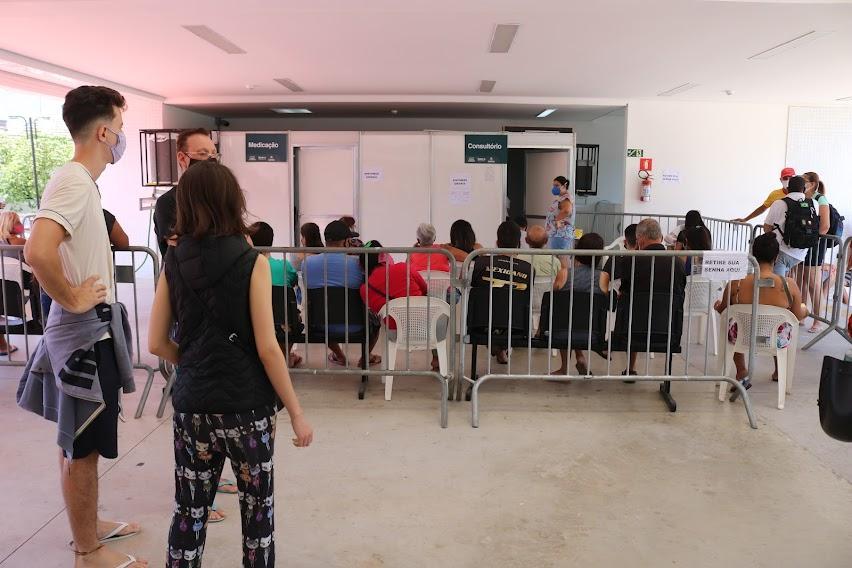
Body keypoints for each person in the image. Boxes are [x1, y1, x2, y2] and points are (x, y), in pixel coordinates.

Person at [148, 161, 312, 568]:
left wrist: (192, 364)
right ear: (232, 202)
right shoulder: (252, 262)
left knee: (189, 510)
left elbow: (155, 342)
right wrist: (296, 411)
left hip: (192, 408)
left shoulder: (172, 261)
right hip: (247, 408)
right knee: (257, 513)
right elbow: (268, 348)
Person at [17, 86, 148, 568]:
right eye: (120, 126)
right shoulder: (73, 182)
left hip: (88, 331)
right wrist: (70, 297)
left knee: (76, 442)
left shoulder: (80, 184)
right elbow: (37, 250)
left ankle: (88, 528)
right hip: (84, 337)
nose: (122, 137)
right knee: (83, 447)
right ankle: (87, 550)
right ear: (104, 131)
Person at [714, 233, 808, 394]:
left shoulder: (736, 283)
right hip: (774, 339)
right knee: (780, 325)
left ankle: (741, 370)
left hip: (743, 337)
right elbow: (797, 316)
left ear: (753, 254)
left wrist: (717, 305)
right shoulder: (788, 285)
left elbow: (723, 310)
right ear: (777, 256)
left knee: (735, 324)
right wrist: (805, 309)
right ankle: (779, 371)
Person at [613, 219, 686, 379]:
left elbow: (623, 289)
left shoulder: (630, 261)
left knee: (632, 305)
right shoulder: (677, 263)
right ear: (660, 238)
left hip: (631, 331)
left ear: (640, 239)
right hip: (667, 331)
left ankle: (630, 367)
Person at [359, 240, 446, 371]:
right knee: (441, 316)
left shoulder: (365, 289)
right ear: (384, 256)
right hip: (426, 327)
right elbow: (425, 290)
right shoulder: (403, 268)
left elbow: (378, 312)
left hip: (396, 333)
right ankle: (439, 362)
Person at [303, 220, 380, 366]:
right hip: (355, 325)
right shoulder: (358, 265)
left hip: (319, 325)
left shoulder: (307, 263)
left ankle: (339, 355)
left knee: (326, 312)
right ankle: (365, 357)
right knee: (376, 321)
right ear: (346, 242)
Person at [470, 221, 532, 364]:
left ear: (497, 242)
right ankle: (501, 348)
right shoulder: (528, 269)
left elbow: (474, 288)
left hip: (482, 324)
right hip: (516, 327)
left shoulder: (481, 263)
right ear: (518, 244)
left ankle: (497, 347)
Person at [153, 128, 219, 257]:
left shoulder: (221, 196)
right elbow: (180, 247)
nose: (210, 160)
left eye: (214, 154)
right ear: (182, 158)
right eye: (202, 154)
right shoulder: (168, 202)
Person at [550, 232, 605, 377]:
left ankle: (564, 368)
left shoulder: (564, 274)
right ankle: (580, 357)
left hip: (563, 331)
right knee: (579, 317)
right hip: (592, 333)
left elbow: (553, 297)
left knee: (567, 314)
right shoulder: (603, 277)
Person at [249, 221, 302, 367]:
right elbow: (292, 282)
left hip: (252, 322)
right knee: (293, 318)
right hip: (283, 323)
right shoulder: (284, 266)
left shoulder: (246, 266)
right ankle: (284, 356)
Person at [763, 175, 815, 277]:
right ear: (804, 189)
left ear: (787, 189)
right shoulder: (813, 204)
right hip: (802, 253)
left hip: (782, 251)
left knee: (778, 285)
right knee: (790, 282)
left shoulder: (779, 203)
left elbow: (767, 227)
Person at [801, 172, 831, 333]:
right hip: (805, 243)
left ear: (812, 183)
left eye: (804, 180)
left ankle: (818, 321)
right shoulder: (802, 197)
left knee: (814, 283)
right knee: (803, 282)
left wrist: (812, 239)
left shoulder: (821, 199)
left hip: (816, 244)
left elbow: (825, 226)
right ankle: (803, 313)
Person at [519, 225, 567, 290]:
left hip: (522, 298)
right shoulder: (554, 261)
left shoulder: (518, 259)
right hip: (546, 298)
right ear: (546, 241)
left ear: (526, 240)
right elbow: (558, 285)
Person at [599, 223, 637, 294]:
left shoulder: (614, 259)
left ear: (625, 242)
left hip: (617, 300)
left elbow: (603, 282)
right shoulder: (649, 260)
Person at [545, 176, 575, 252]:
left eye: (557, 185)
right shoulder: (561, 198)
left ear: (564, 185)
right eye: (553, 185)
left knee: (560, 259)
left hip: (560, 235)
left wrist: (556, 221)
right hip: (558, 234)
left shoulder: (565, 199)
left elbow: (567, 211)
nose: (554, 188)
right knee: (557, 259)